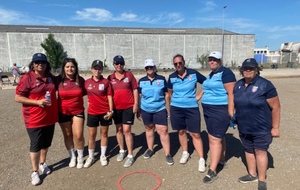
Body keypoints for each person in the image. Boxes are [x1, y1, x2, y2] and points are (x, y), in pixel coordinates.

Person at [233, 58, 280, 190]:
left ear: (256, 70)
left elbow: (276, 107)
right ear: (241, 70)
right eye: (245, 68)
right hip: (244, 126)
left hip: (261, 127)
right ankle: (252, 174)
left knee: (260, 151)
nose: (248, 70)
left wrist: (275, 127)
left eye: (251, 68)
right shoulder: (238, 85)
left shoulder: (265, 85)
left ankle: (262, 180)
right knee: (248, 149)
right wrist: (233, 116)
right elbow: (237, 103)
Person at [15, 53, 58, 186]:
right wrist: (37, 102)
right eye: (37, 62)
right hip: (33, 119)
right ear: (33, 64)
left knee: (46, 144)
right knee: (36, 145)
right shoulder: (27, 78)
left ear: (46, 64)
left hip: (49, 118)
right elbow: (17, 97)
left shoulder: (50, 77)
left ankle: (43, 163)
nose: (40, 64)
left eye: (43, 62)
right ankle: (34, 171)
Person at [200, 51, 236, 183]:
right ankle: (221, 159)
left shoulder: (226, 73)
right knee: (218, 136)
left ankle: (212, 170)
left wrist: (231, 112)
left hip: (220, 109)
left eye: (215, 59)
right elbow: (207, 87)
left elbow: (232, 93)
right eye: (210, 59)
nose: (212, 61)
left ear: (220, 61)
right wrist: (199, 96)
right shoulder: (212, 74)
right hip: (208, 109)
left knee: (214, 138)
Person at [167, 54, 206, 172]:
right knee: (181, 131)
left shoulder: (193, 74)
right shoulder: (172, 77)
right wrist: (174, 105)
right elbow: (169, 93)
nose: (178, 65)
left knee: (195, 134)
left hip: (191, 108)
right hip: (176, 108)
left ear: (184, 63)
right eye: (175, 64)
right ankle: (185, 152)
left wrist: (199, 95)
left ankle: (201, 159)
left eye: (180, 63)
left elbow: (207, 82)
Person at [137, 59, 174, 165]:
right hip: (146, 109)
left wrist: (168, 110)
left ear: (154, 67)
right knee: (149, 129)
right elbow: (139, 96)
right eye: (147, 67)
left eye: (151, 67)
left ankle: (168, 154)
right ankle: (150, 149)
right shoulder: (141, 81)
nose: (149, 69)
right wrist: (138, 110)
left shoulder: (161, 79)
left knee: (163, 131)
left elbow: (166, 95)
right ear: (145, 69)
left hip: (159, 109)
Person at [107, 55, 138, 167]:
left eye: (121, 63)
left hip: (128, 107)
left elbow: (135, 90)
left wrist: (136, 104)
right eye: (117, 63)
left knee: (127, 130)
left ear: (124, 64)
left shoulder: (129, 75)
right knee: (119, 129)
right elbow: (108, 94)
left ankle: (130, 155)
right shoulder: (110, 78)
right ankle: (121, 150)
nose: (119, 65)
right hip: (116, 108)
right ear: (114, 65)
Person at [56, 58, 86, 169]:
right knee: (68, 135)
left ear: (76, 68)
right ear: (64, 68)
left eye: (72, 66)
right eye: (67, 66)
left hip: (78, 111)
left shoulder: (80, 80)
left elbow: (89, 92)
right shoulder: (58, 80)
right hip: (63, 112)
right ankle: (72, 156)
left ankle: (80, 157)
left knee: (78, 135)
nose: (70, 69)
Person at [84, 60, 113, 168]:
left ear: (102, 70)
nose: (97, 70)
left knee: (104, 134)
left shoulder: (106, 82)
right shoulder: (86, 82)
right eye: (95, 68)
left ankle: (103, 155)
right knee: (91, 136)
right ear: (91, 69)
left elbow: (109, 97)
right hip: (92, 112)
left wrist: (111, 111)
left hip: (104, 112)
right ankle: (91, 157)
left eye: (99, 68)